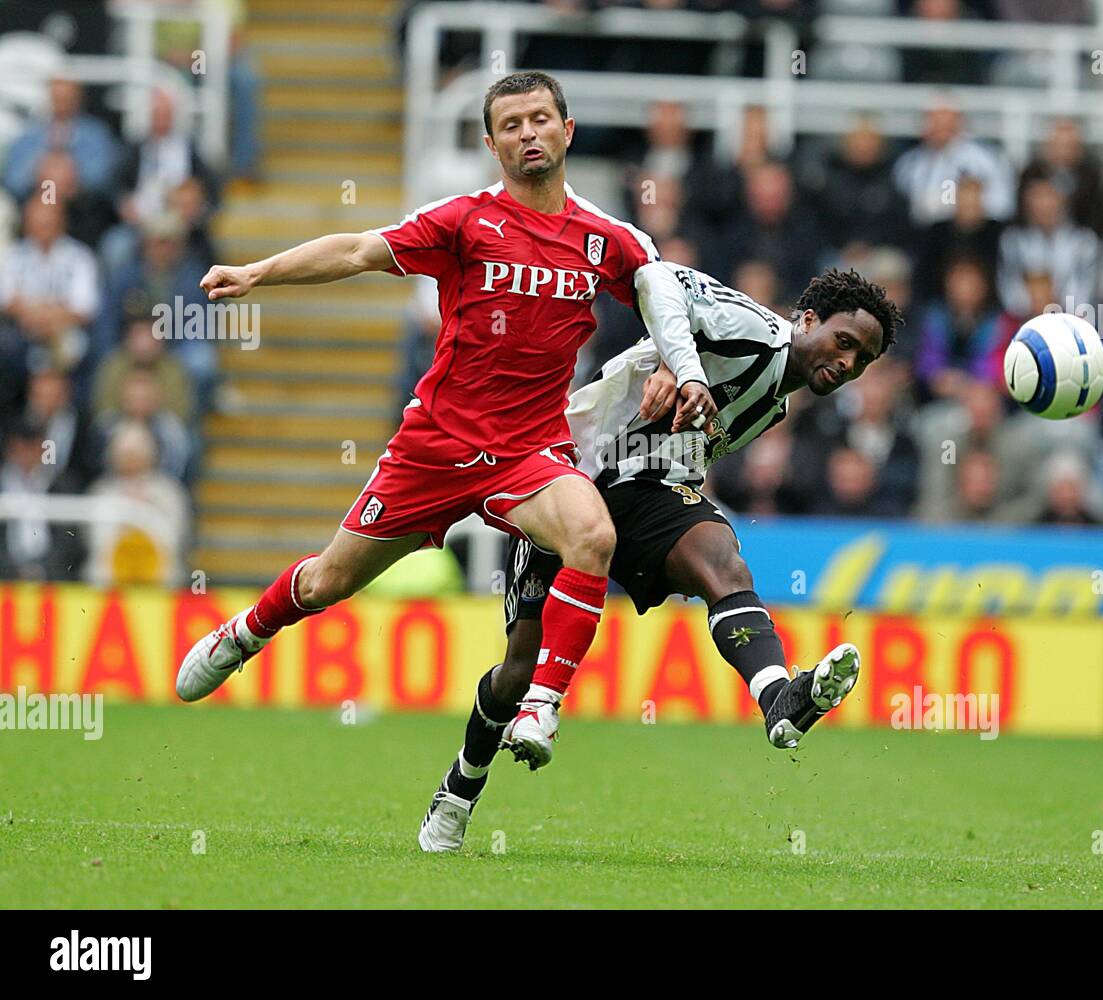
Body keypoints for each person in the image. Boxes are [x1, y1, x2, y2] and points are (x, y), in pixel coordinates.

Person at [174, 73, 714, 776]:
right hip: (434, 446)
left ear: (568, 130)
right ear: (492, 144)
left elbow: (668, 296)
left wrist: (678, 364)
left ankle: (542, 704)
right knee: (327, 584)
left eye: (541, 119)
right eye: (512, 125)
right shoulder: (465, 220)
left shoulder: (608, 238)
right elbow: (358, 250)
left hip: (529, 453)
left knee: (593, 533)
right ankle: (248, 631)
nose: (529, 134)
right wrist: (259, 272)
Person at [417, 263, 902, 852]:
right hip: (566, 473)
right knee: (516, 670)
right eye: (844, 342)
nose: (848, 363)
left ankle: (780, 699)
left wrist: (679, 362)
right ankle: (459, 790)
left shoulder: (776, 402)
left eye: (863, 360)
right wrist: (680, 364)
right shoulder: (754, 330)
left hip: (646, 486)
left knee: (723, 562)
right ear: (806, 320)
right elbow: (659, 279)